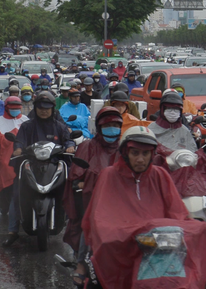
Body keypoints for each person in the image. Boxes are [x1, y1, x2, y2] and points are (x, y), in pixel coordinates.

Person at [81, 126, 206, 289]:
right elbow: (99, 220)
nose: (140, 159)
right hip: (119, 248)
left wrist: (194, 232)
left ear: (152, 155)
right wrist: (129, 232)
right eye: (135, 153)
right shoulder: (109, 176)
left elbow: (177, 213)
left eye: (145, 154)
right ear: (125, 153)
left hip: (155, 249)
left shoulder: (160, 175)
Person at [4, 92, 75, 246]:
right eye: (40, 107)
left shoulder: (60, 126)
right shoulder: (27, 126)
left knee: (73, 191)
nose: (44, 110)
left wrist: (70, 146)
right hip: (31, 164)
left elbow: (68, 141)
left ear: (52, 109)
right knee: (17, 192)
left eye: (47, 107)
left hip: (54, 164)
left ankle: (75, 228)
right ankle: (12, 231)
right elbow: (19, 141)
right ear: (35, 108)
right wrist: (18, 148)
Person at [63, 107, 123, 287]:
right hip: (94, 203)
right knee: (90, 224)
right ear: (98, 127)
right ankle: (81, 263)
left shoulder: (128, 147)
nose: (112, 129)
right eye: (107, 125)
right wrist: (88, 184)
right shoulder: (87, 146)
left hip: (123, 203)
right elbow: (76, 177)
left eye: (115, 125)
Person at [0, 97, 28, 215]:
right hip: (7, 156)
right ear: (6, 108)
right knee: (6, 168)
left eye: (17, 108)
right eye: (12, 108)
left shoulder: (25, 120)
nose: (15, 110)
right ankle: (4, 198)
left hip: (25, 155)